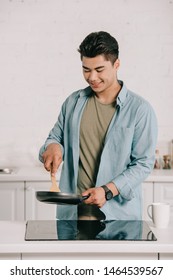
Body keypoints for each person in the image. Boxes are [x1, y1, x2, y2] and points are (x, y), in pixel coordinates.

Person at [39, 31, 158, 220]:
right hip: (72, 216)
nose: (92, 77)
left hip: (119, 217)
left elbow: (143, 164)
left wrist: (107, 191)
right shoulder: (73, 102)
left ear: (116, 64)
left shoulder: (140, 110)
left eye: (99, 69)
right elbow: (54, 138)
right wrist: (52, 146)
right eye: (86, 69)